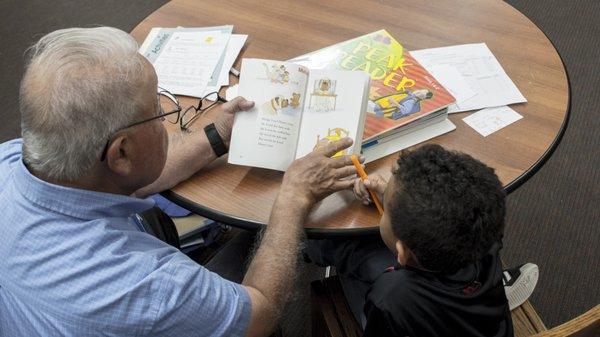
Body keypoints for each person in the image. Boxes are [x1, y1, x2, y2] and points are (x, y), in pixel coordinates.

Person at [0, 27, 359, 336]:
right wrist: (293, 198)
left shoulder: (14, 160)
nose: (165, 118)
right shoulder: (150, 287)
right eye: (158, 112)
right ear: (120, 154)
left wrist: (217, 135)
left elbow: (110, 180)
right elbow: (260, 315)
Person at [305, 144, 515, 337]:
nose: (384, 204)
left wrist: (395, 202)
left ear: (402, 254)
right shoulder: (487, 238)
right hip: (488, 325)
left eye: (386, 208)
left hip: (402, 316)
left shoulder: (388, 295)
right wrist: (397, 199)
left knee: (358, 255)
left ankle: (312, 246)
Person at [368, 88, 433, 120]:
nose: (417, 92)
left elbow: (405, 111)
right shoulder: (409, 95)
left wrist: (394, 102)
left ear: (422, 97)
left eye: (419, 93)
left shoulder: (412, 101)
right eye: (418, 91)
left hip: (381, 108)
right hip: (380, 105)